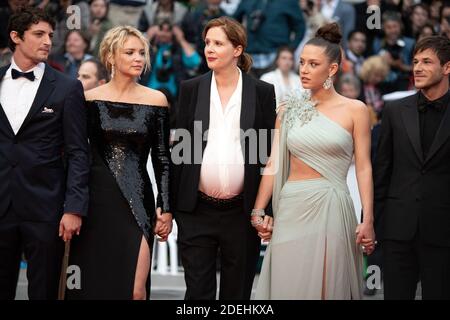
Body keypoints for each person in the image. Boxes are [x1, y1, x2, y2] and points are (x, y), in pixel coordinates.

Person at [254, 22, 376, 300]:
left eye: (313, 63)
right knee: (288, 287)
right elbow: (274, 162)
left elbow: (365, 168)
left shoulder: (356, 110)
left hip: (332, 208)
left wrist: (367, 218)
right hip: (291, 207)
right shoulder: (286, 110)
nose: (304, 70)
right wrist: (258, 210)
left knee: (327, 289)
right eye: (301, 62)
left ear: (332, 69)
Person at [171, 16, 276, 300]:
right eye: (207, 42)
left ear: (237, 50)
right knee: (197, 294)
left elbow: (267, 155)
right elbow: (181, 152)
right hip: (196, 211)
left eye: (218, 43)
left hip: (242, 214)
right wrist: (171, 207)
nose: (209, 49)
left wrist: (266, 211)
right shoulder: (191, 88)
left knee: (237, 295)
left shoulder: (262, 92)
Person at [66, 26, 172, 300]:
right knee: (93, 288)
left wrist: (166, 206)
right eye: (130, 52)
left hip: (138, 201)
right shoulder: (89, 99)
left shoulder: (156, 99)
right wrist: (71, 205)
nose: (138, 58)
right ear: (111, 57)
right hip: (95, 202)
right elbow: (76, 154)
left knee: (136, 292)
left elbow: (162, 158)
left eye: (141, 53)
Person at [0, 6, 89, 300]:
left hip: (46, 208)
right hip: (1, 205)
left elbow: (78, 152)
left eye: (50, 35)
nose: (47, 41)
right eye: (38, 34)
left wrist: (73, 208)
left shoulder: (67, 88)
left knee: (45, 293)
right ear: (15, 36)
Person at [373, 35, 450, 300]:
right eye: (415, 61)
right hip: (398, 229)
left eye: (427, 62)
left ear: (447, 67)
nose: (417, 67)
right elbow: (381, 172)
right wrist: (371, 221)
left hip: (443, 231)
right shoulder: (394, 110)